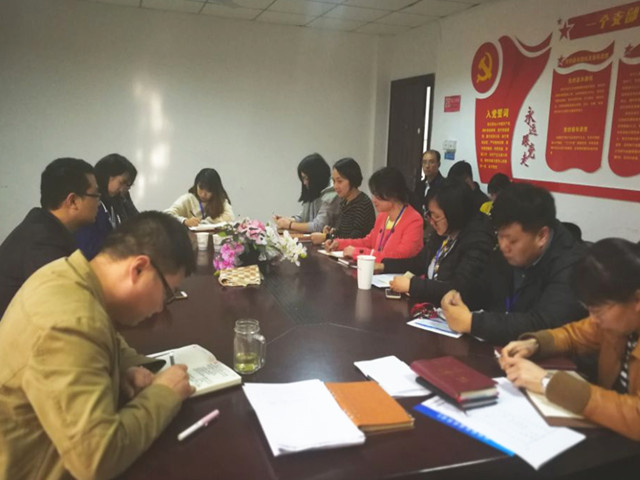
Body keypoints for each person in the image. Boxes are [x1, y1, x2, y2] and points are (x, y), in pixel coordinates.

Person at [0, 211, 196, 479]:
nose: (161, 308)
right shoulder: (69, 324)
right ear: (139, 268)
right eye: (167, 293)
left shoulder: (67, 275)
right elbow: (97, 458)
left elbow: (107, 336)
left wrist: (126, 367)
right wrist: (165, 394)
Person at [499, 239, 640, 440]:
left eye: (598, 311)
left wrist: (547, 382)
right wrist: (535, 344)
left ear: (637, 300)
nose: (593, 319)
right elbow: (575, 334)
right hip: (609, 432)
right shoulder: (618, 322)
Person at [440, 182, 587, 345]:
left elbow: (545, 325)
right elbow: (483, 289)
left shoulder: (573, 265)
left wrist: (472, 323)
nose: (503, 246)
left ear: (542, 236)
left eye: (512, 240)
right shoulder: (507, 251)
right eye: (500, 236)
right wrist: (458, 297)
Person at [0, 157, 100, 318]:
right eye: (96, 195)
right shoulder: (42, 243)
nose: (99, 202)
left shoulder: (45, 230)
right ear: (73, 201)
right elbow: (62, 312)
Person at [383, 179, 495, 304]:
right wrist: (383, 266)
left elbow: (460, 288)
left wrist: (413, 285)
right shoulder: (443, 233)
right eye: (430, 215)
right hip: (432, 307)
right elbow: (418, 263)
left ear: (454, 214)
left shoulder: (478, 241)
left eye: (436, 216)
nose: (432, 221)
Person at [325, 166, 423, 265]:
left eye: (377, 195)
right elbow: (369, 241)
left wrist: (359, 253)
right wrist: (339, 243)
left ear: (393, 194)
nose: (373, 199)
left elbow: (400, 256)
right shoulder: (383, 215)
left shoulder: (414, 220)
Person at [75, 153, 139, 260]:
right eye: (122, 182)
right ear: (108, 176)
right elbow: (89, 245)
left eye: (128, 186)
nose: (124, 189)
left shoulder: (117, 202)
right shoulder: (90, 204)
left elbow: (136, 224)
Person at [310, 157, 375, 245]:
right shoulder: (345, 201)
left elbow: (355, 238)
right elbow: (344, 233)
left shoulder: (362, 203)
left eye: (339, 181)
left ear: (352, 180)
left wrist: (326, 237)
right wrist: (332, 231)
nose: (335, 186)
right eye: (334, 181)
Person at [274, 153, 340, 233]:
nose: (304, 183)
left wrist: (290, 225)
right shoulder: (314, 190)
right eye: (303, 179)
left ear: (317, 177)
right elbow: (303, 217)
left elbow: (318, 226)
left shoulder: (332, 194)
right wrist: (286, 220)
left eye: (306, 178)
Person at [165, 167, 234, 228]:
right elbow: (167, 214)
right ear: (196, 184)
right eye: (201, 188)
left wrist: (205, 223)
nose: (203, 194)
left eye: (209, 190)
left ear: (215, 190)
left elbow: (230, 218)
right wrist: (185, 221)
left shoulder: (221, 201)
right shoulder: (188, 199)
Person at [412, 149, 444, 215]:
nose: (427, 166)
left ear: (438, 164)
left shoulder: (444, 185)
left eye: (431, 162)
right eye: (424, 162)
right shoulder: (419, 185)